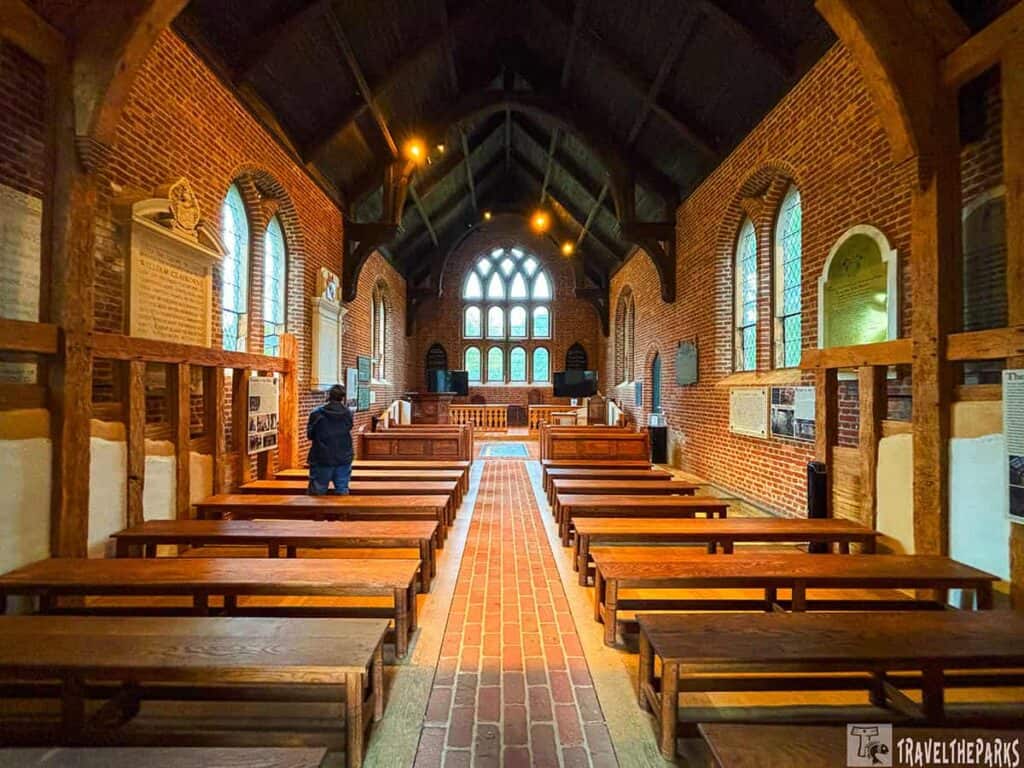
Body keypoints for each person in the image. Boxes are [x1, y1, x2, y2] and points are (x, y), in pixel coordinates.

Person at [306, 384, 354, 495]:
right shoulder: (348, 413)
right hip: (343, 456)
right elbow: (349, 428)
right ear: (342, 397)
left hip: (321, 457)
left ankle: (317, 513)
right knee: (342, 490)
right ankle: (341, 512)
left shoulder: (317, 413)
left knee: (317, 492)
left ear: (329, 395)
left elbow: (310, 435)